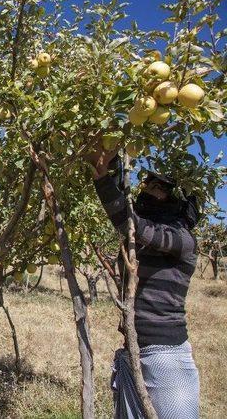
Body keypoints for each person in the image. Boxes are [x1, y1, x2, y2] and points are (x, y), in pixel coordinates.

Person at [87, 149, 200, 419]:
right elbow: (125, 199)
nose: (147, 188)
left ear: (177, 200)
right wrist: (111, 156)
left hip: (167, 357)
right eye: (148, 183)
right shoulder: (142, 241)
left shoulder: (183, 240)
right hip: (133, 349)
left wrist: (101, 177)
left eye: (157, 187)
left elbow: (131, 223)